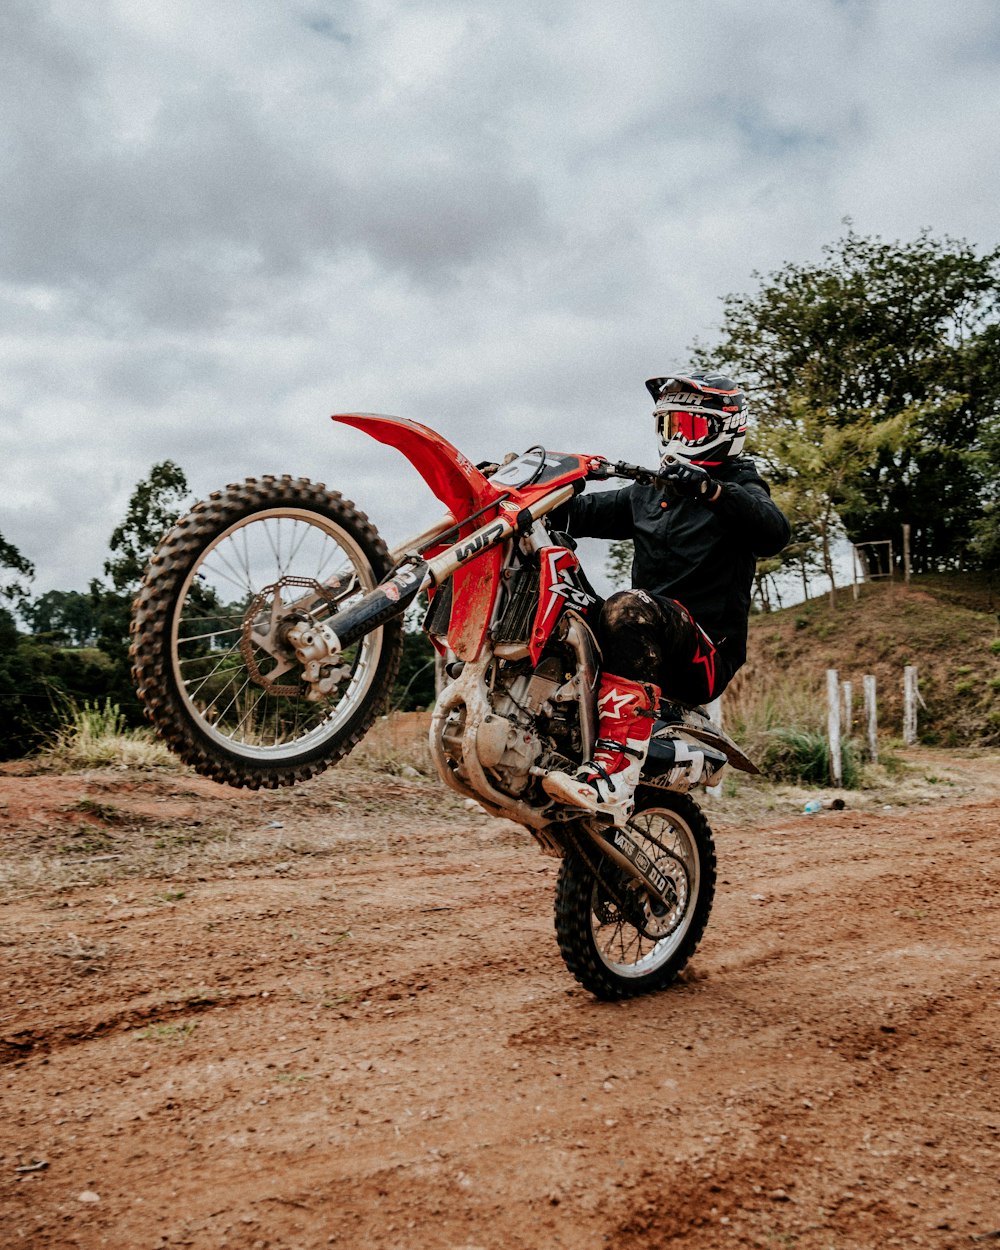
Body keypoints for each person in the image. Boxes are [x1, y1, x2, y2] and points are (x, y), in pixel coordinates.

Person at [543, 370, 791, 824]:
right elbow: (578, 513)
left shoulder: (739, 489)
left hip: (703, 654)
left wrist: (709, 488)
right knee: (567, 608)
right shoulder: (649, 492)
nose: (677, 437)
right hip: (643, 642)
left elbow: (773, 531)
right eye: (669, 425)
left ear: (726, 429)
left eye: (689, 427)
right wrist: (518, 488)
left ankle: (614, 778)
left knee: (628, 605)